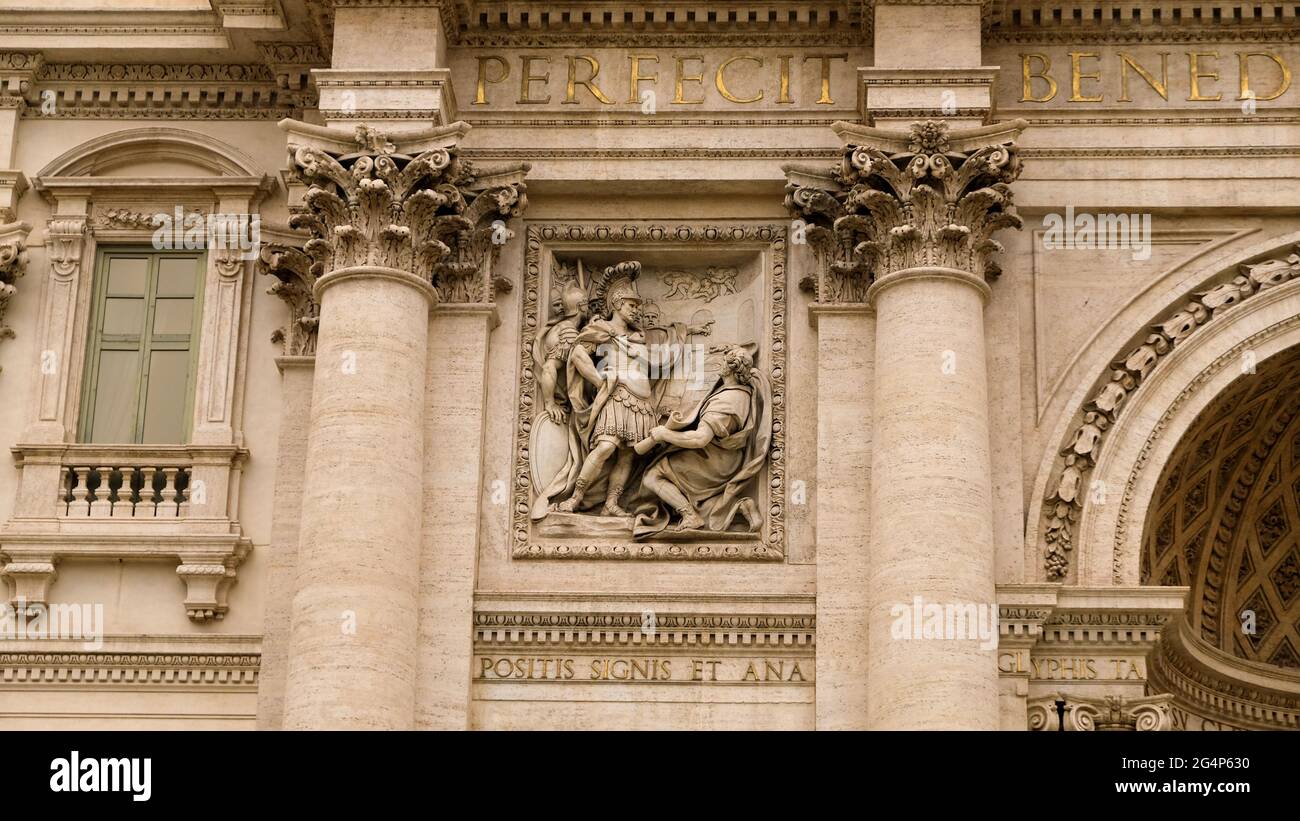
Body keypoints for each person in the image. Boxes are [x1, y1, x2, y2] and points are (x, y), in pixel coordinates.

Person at [631, 345, 770, 538]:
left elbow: (700, 439)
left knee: (653, 476)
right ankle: (739, 505)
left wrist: (664, 434)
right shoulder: (742, 393)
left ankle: (690, 516)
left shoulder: (726, 400)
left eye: (723, 361)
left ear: (729, 368)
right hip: (726, 459)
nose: (720, 365)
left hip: (713, 460)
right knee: (683, 487)